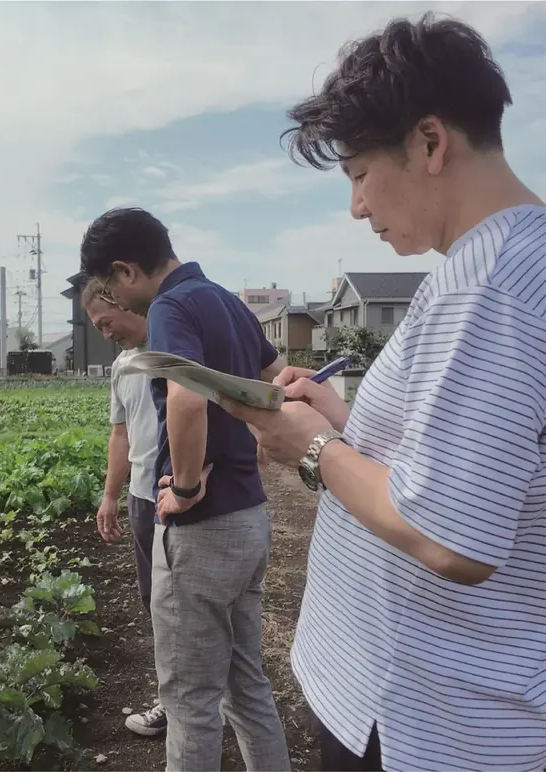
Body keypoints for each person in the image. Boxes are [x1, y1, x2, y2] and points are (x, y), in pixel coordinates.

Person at [220, 13, 546, 772]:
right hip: (441, 699)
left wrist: (313, 449)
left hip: (423, 718)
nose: (357, 208)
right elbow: (478, 461)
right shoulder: (503, 265)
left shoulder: (489, 289)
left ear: (431, 142)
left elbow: (451, 536)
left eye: (361, 175)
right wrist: (347, 418)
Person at [79, 207, 290, 772]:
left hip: (202, 530)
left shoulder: (171, 306)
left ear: (126, 271)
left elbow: (186, 397)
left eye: (110, 287)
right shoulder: (224, 299)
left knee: (191, 700)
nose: (118, 303)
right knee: (246, 685)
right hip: (249, 517)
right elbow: (281, 380)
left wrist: (189, 487)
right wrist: (264, 441)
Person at [82, 278, 168, 737]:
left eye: (107, 321)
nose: (105, 332)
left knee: (188, 607)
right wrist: (111, 494)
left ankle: (197, 701)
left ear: (126, 301)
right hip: (141, 497)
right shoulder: (122, 366)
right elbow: (121, 434)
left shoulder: (176, 349)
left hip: (180, 495)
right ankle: (171, 698)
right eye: (97, 326)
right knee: (155, 602)